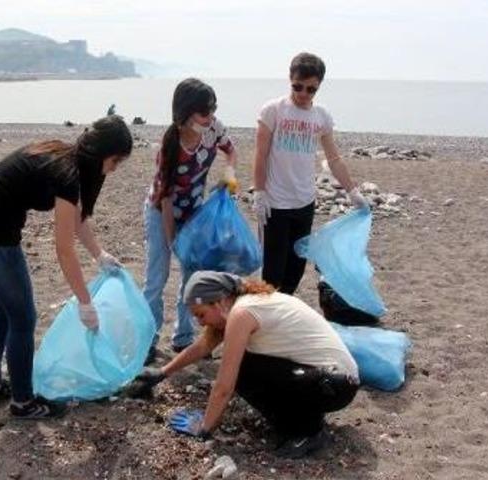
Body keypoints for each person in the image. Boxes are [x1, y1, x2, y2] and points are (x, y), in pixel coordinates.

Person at [0, 115, 133, 419]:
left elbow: (78, 218)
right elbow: (64, 249)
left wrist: (99, 254)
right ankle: (23, 402)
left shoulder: (68, 159)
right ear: (101, 153)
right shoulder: (68, 174)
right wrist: (85, 302)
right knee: (23, 318)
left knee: (4, 311)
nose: (115, 168)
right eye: (115, 161)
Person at [128, 271, 359, 458]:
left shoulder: (242, 313)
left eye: (201, 314)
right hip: (327, 379)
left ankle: (308, 432)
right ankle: (303, 419)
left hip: (335, 384)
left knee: (241, 369)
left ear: (219, 302)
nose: (200, 323)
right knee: (248, 365)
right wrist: (162, 372)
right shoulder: (241, 305)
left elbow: (224, 384)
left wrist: (205, 428)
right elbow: (202, 346)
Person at [252, 52, 367, 295]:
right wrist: (259, 193)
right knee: (272, 273)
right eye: (298, 86)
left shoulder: (321, 116)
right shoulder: (273, 110)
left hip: (304, 202)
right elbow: (260, 155)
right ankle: (266, 315)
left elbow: (334, 159)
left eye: (311, 89)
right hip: (275, 204)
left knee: (295, 270)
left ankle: (282, 313)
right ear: (290, 79)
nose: (303, 93)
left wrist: (353, 192)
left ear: (319, 86)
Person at [142, 78, 238, 363]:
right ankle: (148, 340)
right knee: (157, 277)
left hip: (194, 212)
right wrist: (172, 239)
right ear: (184, 113)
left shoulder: (214, 129)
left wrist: (229, 174)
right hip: (161, 212)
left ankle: (183, 338)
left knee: (192, 277)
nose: (210, 117)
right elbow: (165, 200)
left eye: (213, 109)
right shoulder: (169, 147)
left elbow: (231, 151)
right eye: (204, 112)